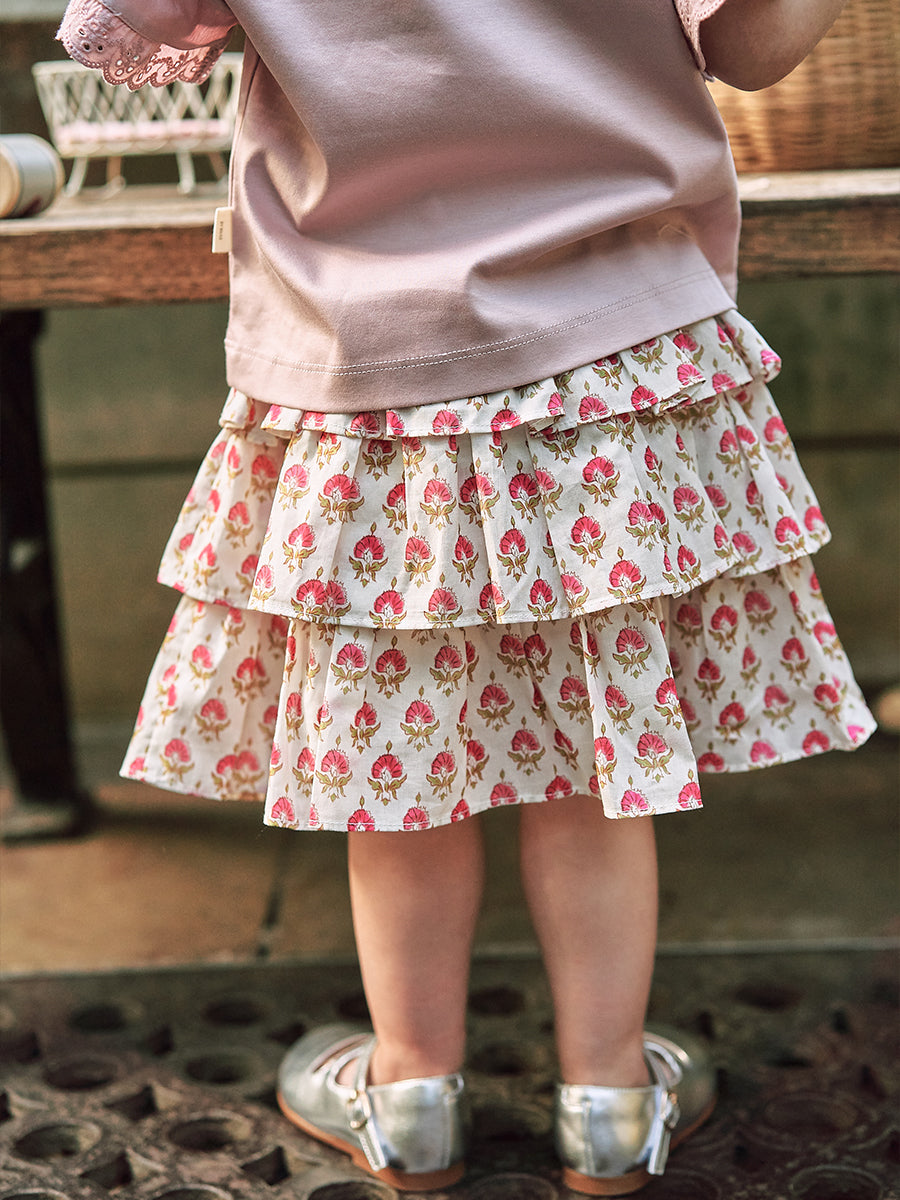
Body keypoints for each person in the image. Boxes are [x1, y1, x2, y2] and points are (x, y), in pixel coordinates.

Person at [58, 0, 871, 1192]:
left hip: (366, 366)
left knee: (401, 770)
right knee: (594, 764)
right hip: (614, 351)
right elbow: (754, 46)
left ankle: (411, 1097)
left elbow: (125, 34)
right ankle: (610, 1101)